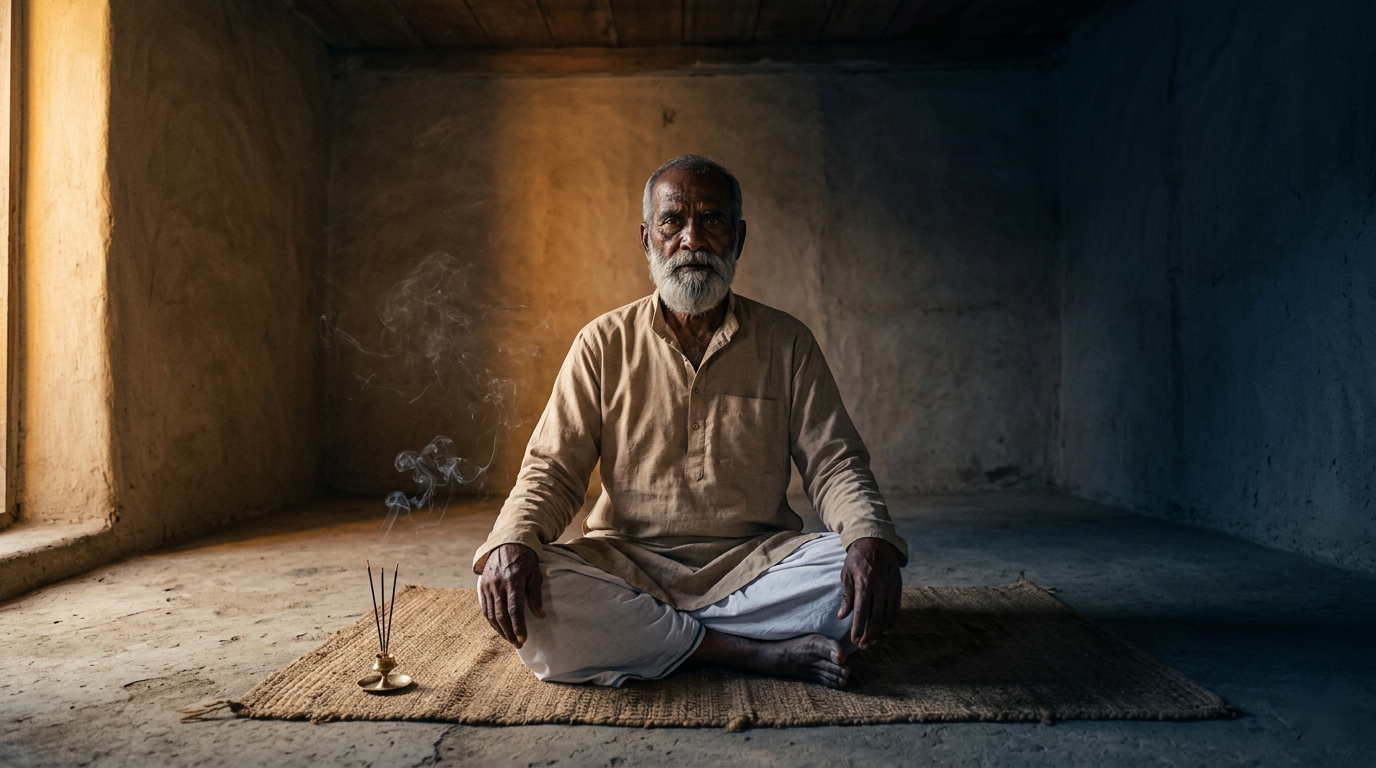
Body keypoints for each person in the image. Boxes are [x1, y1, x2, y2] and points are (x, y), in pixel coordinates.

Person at [473, 154, 907, 689]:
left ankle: (660, 641)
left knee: (846, 576)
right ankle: (747, 652)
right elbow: (552, 470)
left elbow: (834, 463)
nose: (692, 240)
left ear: (739, 239)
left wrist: (867, 539)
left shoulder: (786, 341)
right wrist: (511, 542)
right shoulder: (602, 343)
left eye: (712, 221)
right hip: (627, 566)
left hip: (756, 565)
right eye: (672, 221)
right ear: (647, 238)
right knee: (540, 593)